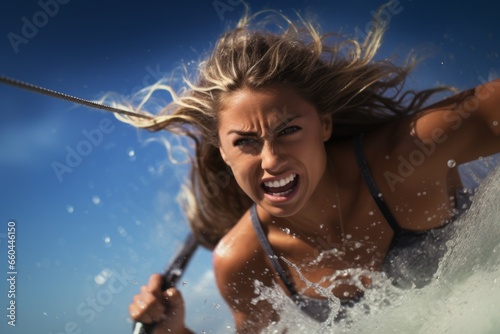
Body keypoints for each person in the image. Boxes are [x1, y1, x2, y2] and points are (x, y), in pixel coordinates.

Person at [121, 4, 500, 333]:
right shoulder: (242, 262)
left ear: (325, 125)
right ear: (222, 152)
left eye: (288, 130)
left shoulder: (409, 155)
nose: (271, 160)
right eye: (245, 142)